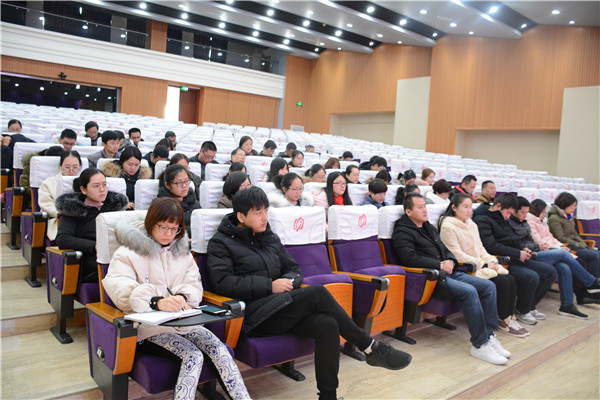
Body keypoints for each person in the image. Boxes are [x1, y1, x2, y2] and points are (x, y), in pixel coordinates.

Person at [207, 187, 412, 400]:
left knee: (328, 324)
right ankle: (369, 346)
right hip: (253, 317)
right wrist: (269, 286)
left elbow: (294, 269)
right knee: (316, 292)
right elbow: (223, 283)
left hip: (282, 307)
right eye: (258, 213)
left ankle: (328, 396)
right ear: (241, 216)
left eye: (266, 210)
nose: (265, 217)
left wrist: (288, 282)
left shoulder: (269, 237)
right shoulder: (221, 242)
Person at [102, 198, 251, 400]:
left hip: (185, 322)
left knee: (219, 350)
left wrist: (182, 296)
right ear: (150, 222)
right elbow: (120, 289)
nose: (168, 234)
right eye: (163, 227)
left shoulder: (182, 252)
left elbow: (194, 283)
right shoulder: (127, 253)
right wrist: (156, 301)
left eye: (174, 229)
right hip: (150, 328)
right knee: (193, 356)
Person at [393, 193, 510, 365]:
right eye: (420, 207)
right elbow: (409, 259)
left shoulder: (428, 226)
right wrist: (439, 264)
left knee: (488, 286)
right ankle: (480, 344)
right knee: (469, 291)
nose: (425, 210)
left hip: (449, 272)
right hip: (431, 278)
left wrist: (449, 260)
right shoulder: (402, 232)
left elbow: (445, 249)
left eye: (425, 206)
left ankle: (489, 335)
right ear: (408, 212)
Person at [439, 194, 529, 338]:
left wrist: (492, 261)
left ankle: (509, 317)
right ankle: (502, 319)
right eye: (465, 207)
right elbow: (456, 254)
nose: (469, 211)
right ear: (454, 208)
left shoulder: (472, 224)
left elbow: (481, 249)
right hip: (466, 268)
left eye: (470, 207)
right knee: (502, 282)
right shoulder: (448, 226)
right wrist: (484, 264)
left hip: (479, 264)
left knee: (510, 279)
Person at [509, 197, 598, 319]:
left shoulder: (530, 222)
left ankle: (567, 306)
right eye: (543, 211)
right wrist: (542, 246)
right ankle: (591, 282)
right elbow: (533, 242)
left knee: (564, 267)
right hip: (534, 253)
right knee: (563, 254)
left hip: (540, 250)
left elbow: (549, 237)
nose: (525, 215)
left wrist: (559, 245)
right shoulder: (527, 221)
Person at [473, 194, 554, 326]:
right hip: (503, 260)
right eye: (508, 212)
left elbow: (512, 238)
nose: (509, 216)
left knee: (550, 272)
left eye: (511, 213)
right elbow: (490, 246)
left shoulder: (502, 217)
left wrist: (523, 249)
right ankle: (522, 310)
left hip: (515, 256)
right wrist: (517, 253)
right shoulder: (482, 219)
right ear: (499, 206)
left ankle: (530, 306)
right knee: (532, 277)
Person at [55, 168, 128, 284]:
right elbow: (62, 239)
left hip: (116, 253)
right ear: (83, 190)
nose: (102, 189)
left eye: (104, 185)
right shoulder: (74, 210)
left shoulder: (114, 207)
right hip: (90, 257)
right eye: (96, 186)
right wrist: (94, 246)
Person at [528, 199, 600, 305]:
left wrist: (561, 246)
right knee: (579, 259)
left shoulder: (543, 221)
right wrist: (560, 247)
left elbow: (552, 237)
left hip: (556, 248)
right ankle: (590, 284)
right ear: (535, 210)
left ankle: (567, 305)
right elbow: (540, 242)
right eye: (543, 212)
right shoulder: (532, 222)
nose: (544, 214)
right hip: (542, 251)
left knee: (566, 266)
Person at [548, 192, 600, 283]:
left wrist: (583, 245)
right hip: (566, 247)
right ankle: (592, 284)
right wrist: (579, 245)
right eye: (572, 206)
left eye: (575, 206)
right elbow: (560, 238)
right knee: (594, 255)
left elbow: (575, 234)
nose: (574, 209)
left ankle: (596, 282)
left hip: (574, 245)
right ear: (564, 204)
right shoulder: (554, 218)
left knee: (598, 253)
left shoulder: (568, 217)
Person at [38, 150, 82, 241]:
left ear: (80, 167)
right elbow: (46, 205)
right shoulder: (48, 183)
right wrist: (65, 213)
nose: (71, 170)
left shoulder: (86, 182)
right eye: (67, 167)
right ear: (61, 167)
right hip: (59, 219)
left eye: (75, 167)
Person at [157, 164, 200, 232]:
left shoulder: (194, 203)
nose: (184, 185)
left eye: (186, 181)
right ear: (167, 185)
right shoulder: (160, 205)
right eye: (179, 182)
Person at [1, 119, 34, 186]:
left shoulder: (24, 139)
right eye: (12, 129)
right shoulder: (3, 139)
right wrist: (5, 146)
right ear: (8, 129)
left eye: (17, 129)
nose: (15, 131)